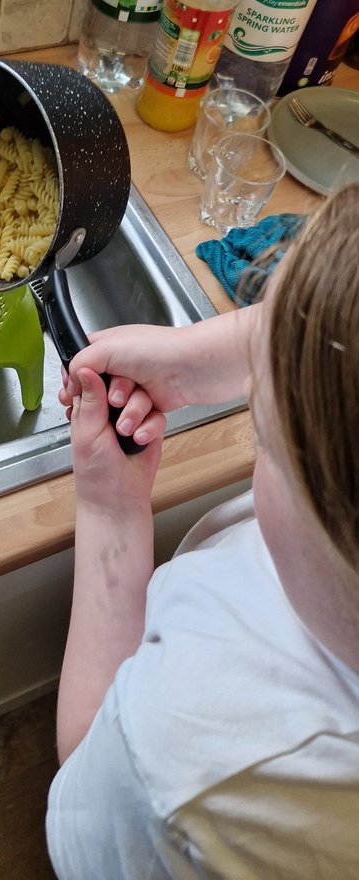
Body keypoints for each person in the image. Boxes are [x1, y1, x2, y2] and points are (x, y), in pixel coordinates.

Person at [46, 182, 359, 879]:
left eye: (264, 438)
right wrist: (206, 357)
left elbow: (89, 761)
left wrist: (110, 511)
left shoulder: (192, 769)